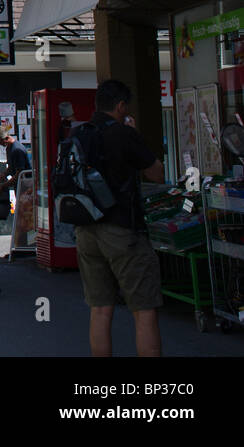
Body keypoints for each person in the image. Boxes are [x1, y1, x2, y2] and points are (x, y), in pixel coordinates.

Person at [73, 79, 164, 357]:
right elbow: (156, 173)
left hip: (86, 230)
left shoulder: (80, 134)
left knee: (100, 309)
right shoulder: (123, 134)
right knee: (143, 310)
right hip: (122, 230)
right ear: (121, 105)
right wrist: (136, 135)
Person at [0, 124, 31, 215]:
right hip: (19, 186)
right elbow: (12, 167)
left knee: (25, 212)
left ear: (5, 138)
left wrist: (3, 185)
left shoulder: (17, 150)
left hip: (25, 187)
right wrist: (4, 174)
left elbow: (19, 173)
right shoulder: (9, 148)